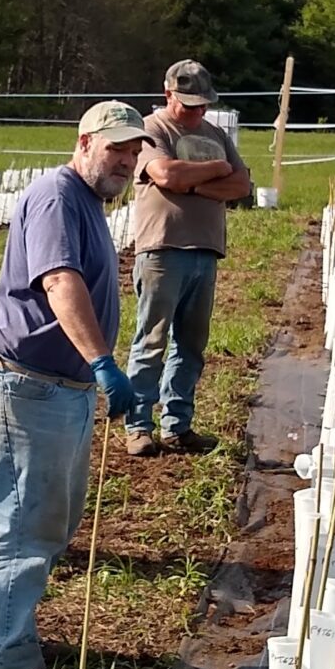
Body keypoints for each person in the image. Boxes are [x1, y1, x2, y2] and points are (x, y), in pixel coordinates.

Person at [0, 101, 151, 669]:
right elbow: (59, 281)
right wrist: (102, 360)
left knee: (42, 525)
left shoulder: (89, 203)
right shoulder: (56, 194)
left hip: (54, 392)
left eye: (133, 149)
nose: (125, 158)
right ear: (84, 142)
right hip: (25, 387)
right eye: (114, 146)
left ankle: (15, 638)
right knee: (17, 530)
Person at [124, 59, 251, 457]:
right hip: (162, 247)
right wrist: (214, 171)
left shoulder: (215, 132)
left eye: (202, 105)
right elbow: (166, 176)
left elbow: (242, 183)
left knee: (191, 344)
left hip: (205, 249)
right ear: (168, 94)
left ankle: (177, 425)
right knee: (152, 339)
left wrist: (194, 183)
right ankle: (138, 424)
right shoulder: (152, 128)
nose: (197, 113)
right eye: (188, 105)